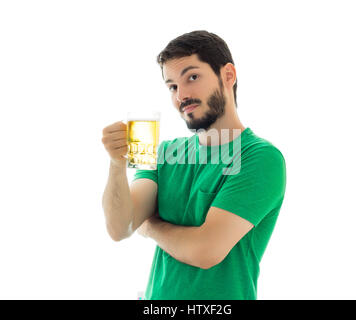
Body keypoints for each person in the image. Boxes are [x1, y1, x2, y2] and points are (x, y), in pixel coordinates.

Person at [101, 30, 286, 300]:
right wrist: (117, 165)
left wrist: (150, 225)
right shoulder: (164, 152)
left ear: (228, 75)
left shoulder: (260, 158)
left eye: (192, 77)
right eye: (173, 86)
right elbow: (120, 228)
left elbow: (205, 251)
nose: (181, 95)